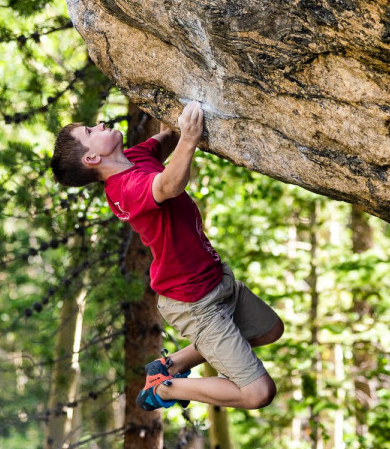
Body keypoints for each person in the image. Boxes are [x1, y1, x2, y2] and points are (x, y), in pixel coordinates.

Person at [50, 101, 284, 410]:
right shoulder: (125, 189)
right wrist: (189, 138)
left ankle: (170, 365)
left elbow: (169, 137)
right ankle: (166, 389)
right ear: (92, 157)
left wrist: (173, 113)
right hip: (195, 304)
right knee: (258, 393)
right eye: (91, 131)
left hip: (214, 280)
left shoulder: (134, 158)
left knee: (269, 330)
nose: (100, 125)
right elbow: (170, 183)